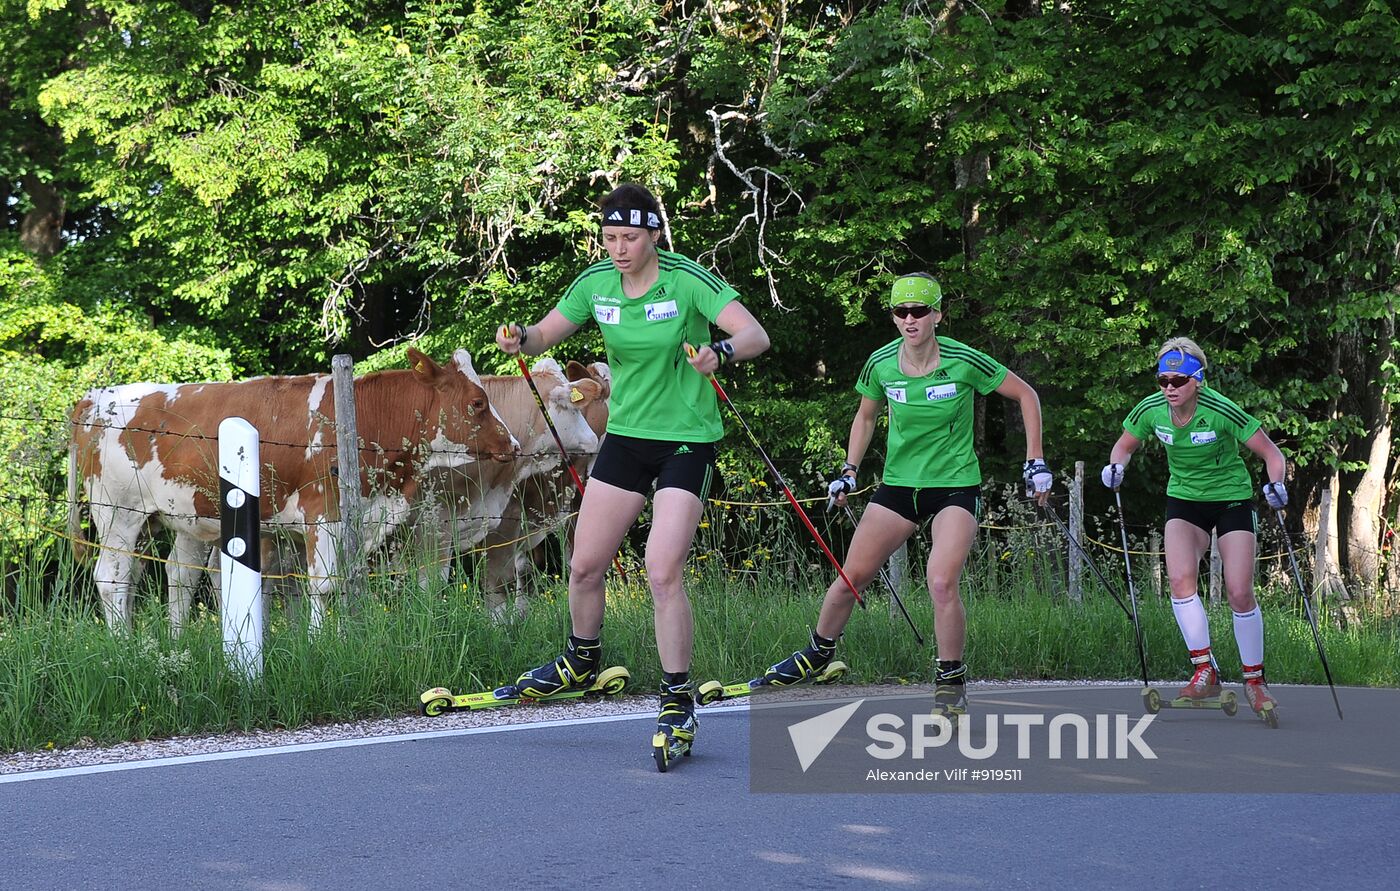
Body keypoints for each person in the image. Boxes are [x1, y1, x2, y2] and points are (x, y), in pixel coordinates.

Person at [496, 183, 770, 757]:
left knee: (661, 570)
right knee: (585, 564)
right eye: (610, 237)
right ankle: (580, 660)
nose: (619, 248)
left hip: (686, 442)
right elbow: (546, 334)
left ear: (653, 235)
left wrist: (719, 353)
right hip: (625, 438)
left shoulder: (686, 279)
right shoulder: (597, 284)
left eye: (630, 237)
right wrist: (521, 339)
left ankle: (677, 699)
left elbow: (755, 334)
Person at [757, 273, 1052, 718]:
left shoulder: (962, 359)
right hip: (899, 485)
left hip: (954, 486)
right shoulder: (880, 364)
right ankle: (817, 654)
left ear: (937, 314)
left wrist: (1035, 460)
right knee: (850, 578)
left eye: (919, 311)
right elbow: (865, 417)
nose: (910, 320)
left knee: (940, 580)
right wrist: (849, 471)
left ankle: (951, 682)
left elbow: (1026, 396)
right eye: (901, 312)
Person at [1101, 337, 1288, 719]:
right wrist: (1116, 466)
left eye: (1178, 381)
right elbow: (1124, 445)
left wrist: (1276, 484)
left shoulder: (1220, 409)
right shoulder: (1152, 409)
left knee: (1238, 591)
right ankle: (1205, 668)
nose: (1169, 388)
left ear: (1198, 380)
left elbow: (1271, 452)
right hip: (1185, 501)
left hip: (1231, 499)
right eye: (1163, 380)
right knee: (1181, 580)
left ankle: (1255, 680)